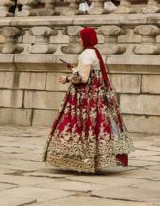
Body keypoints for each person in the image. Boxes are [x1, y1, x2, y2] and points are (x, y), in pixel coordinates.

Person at [44, 27, 133, 173]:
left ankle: (82, 160)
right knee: (95, 123)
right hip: (96, 95)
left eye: (81, 37)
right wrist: (75, 68)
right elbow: (91, 73)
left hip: (84, 96)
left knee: (81, 123)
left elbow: (83, 78)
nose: (79, 40)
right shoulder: (95, 52)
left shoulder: (86, 54)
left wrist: (66, 78)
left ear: (86, 38)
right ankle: (94, 159)